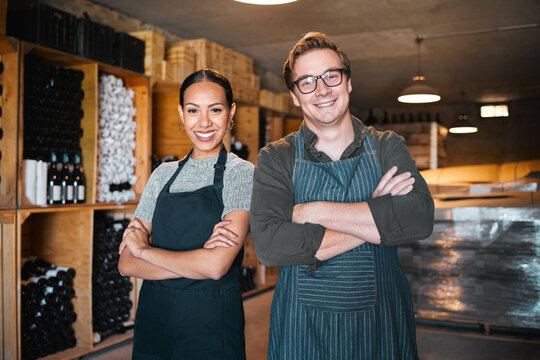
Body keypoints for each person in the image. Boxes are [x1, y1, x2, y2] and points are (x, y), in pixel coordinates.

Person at [250, 32, 434, 359]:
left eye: (331, 76)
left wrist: (313, 211)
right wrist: (378, 214)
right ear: (295, 95)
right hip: (302, 330)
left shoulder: (387, 145)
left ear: (347, 82)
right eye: (307, 81)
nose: (321, 90)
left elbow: (418, 218)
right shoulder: (276, 157)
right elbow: (270, 244)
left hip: (381, 327)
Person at [118, 69, 254, 360]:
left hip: (211, 329)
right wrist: (198, 262)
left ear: (231, 112)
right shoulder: (162, 174)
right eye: (193, 110)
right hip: (155, 325)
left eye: (215, 110)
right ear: (181, 114)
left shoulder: (241, 173)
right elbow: (126, 264)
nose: (204, 122)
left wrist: (144, 249)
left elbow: (217, 266)